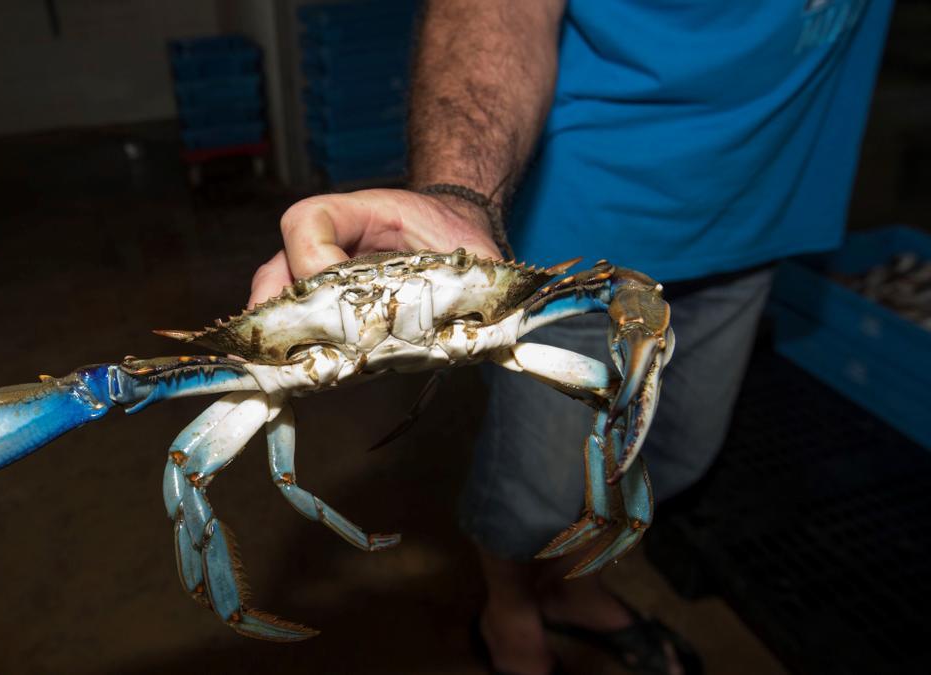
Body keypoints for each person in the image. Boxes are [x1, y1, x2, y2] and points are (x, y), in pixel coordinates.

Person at [249, 1, 893, 673]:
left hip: (764, 212)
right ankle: (509, 606)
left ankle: (572, 588)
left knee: (673, 453)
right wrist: (458, 195)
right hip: (585, 224)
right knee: (535, 487)